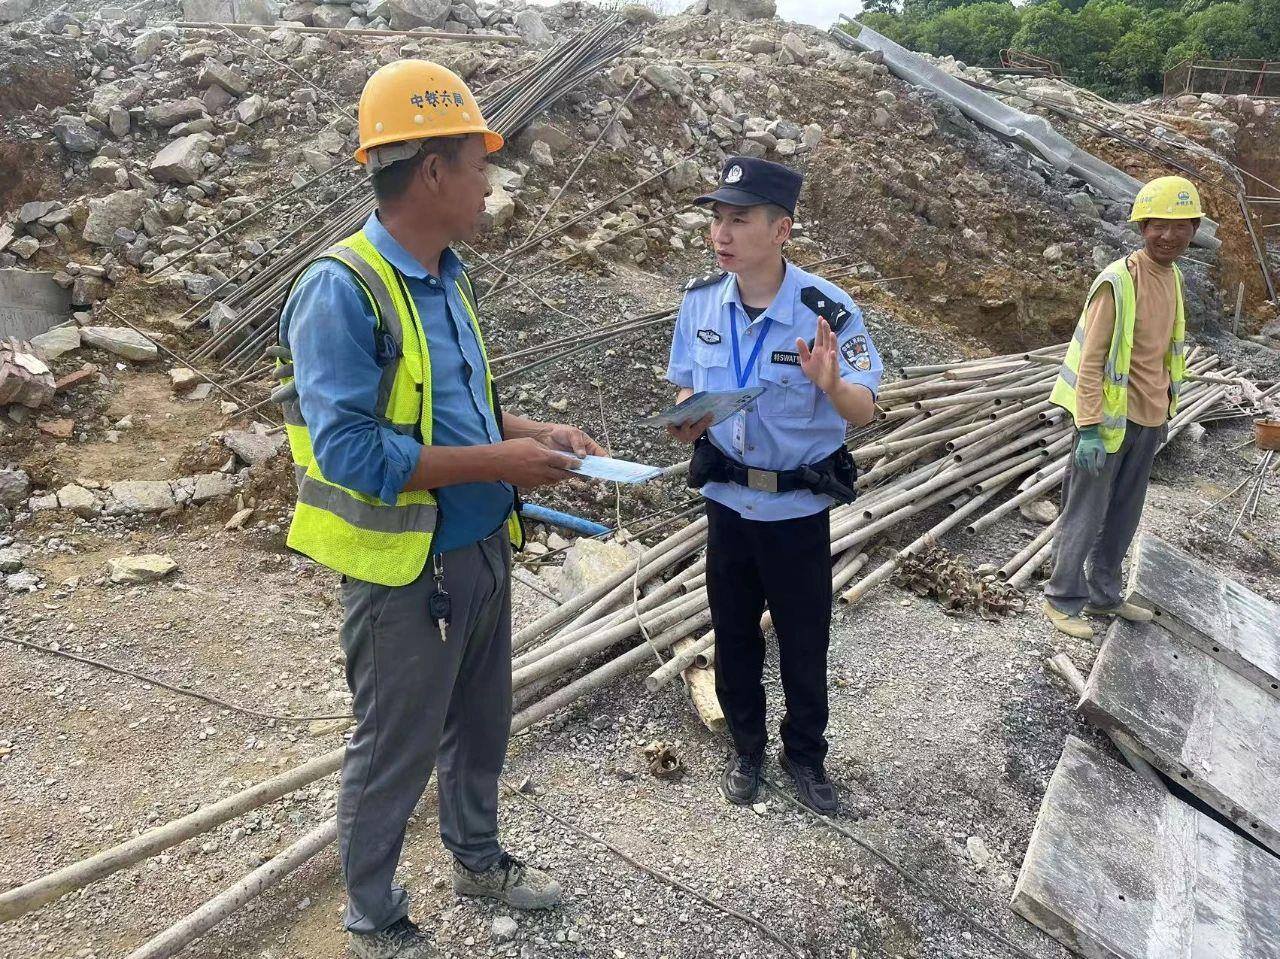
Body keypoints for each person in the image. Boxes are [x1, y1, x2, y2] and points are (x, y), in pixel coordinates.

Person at [274, 59, 605, 959]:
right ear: (430, 171)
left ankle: (477, 859)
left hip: (482, 546)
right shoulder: (342, 289)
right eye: (477, 163)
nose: (487, 183)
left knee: (481, 725)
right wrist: (502, 460)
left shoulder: (450, 276)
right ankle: (373, 916)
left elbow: (460, 409)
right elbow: (350, 451)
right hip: (407, 570)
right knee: (395, 746)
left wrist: (534, 434)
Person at [664, 157, 882, 815]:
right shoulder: (701, 302)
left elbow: (865, 411)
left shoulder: (827, 312)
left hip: (796, 510)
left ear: (781, 229)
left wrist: (832, 385)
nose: (721, 234)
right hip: (728, 502)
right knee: (733, 635)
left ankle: (805, 755)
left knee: (804, 639)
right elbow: (686, 387)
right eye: (716, 219)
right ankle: (747, 748)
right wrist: (686, 417)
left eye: (739, 220)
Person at [1043, 174, 1197, 640]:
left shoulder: (1174, 277)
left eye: (1180, 226)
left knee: (1125, 514)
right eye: (1158, 225)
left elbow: (1165, 353)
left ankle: (1104, 594)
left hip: (1150, 417)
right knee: (1085, 512)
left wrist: (1165, 410)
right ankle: (1062, 597)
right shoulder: (1118, 281)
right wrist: (1089, 427)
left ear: (1193, 230)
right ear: (1142, 227)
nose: (1168, 236)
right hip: (1108, 422)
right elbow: (1090, 362)